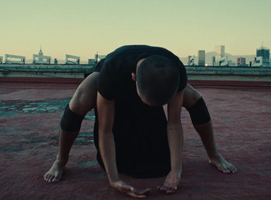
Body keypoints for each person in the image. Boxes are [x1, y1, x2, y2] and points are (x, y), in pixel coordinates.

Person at [44, 45, 237, 198]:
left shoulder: (176, 68)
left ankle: (214, 155)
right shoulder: (112, 73)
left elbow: (174, 124)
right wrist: (114, 179)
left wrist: (176, 170)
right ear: (134, 79)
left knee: (194, 97)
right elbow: (105, 130)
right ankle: (60, 161)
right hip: (112, 71)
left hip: (157, 76)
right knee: (80, 99)